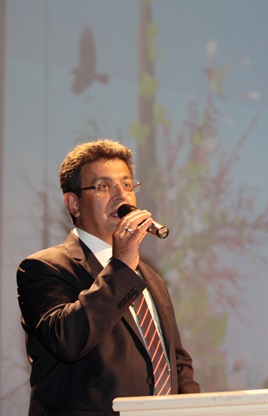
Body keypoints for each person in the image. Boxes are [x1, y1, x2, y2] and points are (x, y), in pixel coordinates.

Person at [16, 139, 201, 416]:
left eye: (127, 185)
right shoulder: (42, 268)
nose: (120, 196)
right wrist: (121, 265)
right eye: (103, 186)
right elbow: (68, 341)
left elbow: (175, 361)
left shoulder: (150, 276)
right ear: (73, 203)